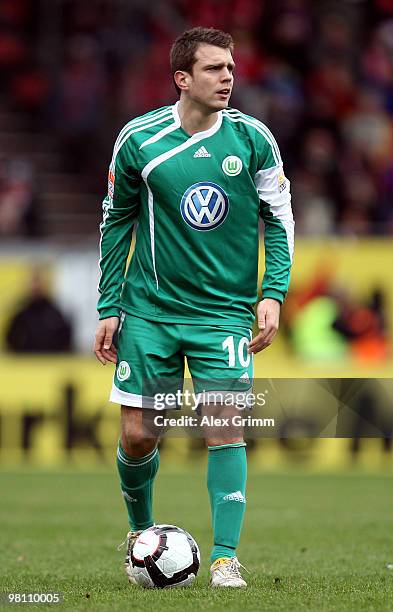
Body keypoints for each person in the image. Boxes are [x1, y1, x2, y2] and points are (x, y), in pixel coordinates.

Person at [94, 26, 294, 588]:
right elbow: (116, 222)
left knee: (224, 426)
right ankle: (140, 533)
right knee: (139, 434)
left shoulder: (254, 140)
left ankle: (226, 557)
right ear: (182, 78)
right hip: (152, 312)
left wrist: (272, 293)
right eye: (213, 68)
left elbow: (279, 220)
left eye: (230, 67)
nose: (227, 76)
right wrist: (110, 305)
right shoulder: (139, 140)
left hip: (224, 314)